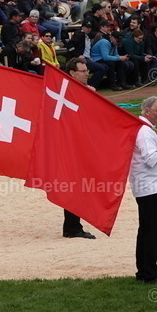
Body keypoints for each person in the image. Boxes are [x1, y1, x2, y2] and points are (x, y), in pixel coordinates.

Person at [130, 96, 157, 285]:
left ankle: (143, 271)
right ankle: (150, 274)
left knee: (146, 229)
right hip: (149, 188)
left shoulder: (144, 129)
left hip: (149, 187)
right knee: (152, 231)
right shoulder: (145, 132)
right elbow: (150, 160)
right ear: (147, 111)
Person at [61, 57, 96, 239]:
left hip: (80, 144)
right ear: (73, 73)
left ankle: (72, 225)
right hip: (70, 146)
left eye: (87, 70)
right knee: (75, 185)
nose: (87, 73)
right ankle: (72, 227)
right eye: (83, 71)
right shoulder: (67, 92)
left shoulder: (81, 90)